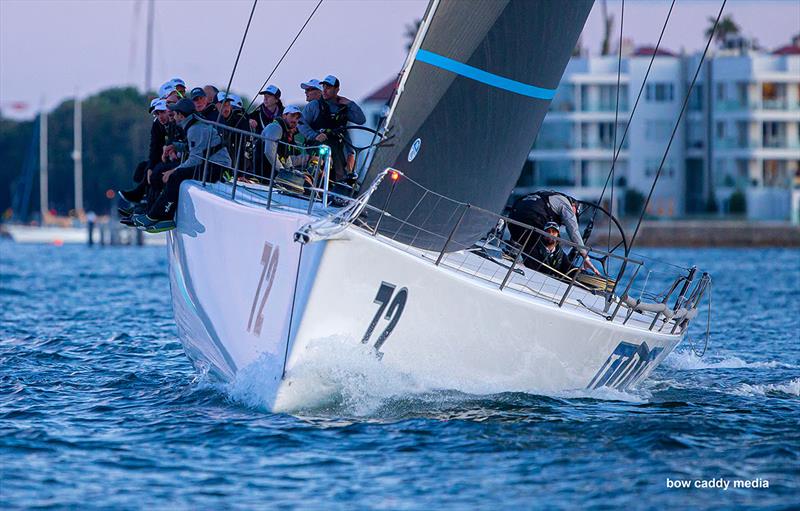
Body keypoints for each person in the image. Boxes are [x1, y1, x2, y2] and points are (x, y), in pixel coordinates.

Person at [132, 99, 231, 232]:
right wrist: (176, 146)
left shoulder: (195, 129)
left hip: (217, 168)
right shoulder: (193, 125)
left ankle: (155, 216)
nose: (173, 116)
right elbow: (195, 148)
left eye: (175, 114)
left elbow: (195, 159)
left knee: (175, 176)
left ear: (182, 116)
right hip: (211, 165)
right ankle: (163, 216)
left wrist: (173, 170)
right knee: (171, 175)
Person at [508, 190, 599, 273]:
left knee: (530, 242)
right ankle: (555, 270)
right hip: (533, 218)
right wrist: (585, 257)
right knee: (548, 241)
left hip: (513, 218)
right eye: (575, 214)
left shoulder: (548, 196)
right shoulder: (566, 204)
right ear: (574, 206)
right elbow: (573, 229)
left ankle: (514, 255)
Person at [298, 74, 366, 182]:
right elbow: (301, 124)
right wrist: (315, 136)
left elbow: (361, 120)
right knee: (323, 158)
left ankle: (342, 183)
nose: (324, 90)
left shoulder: (343, 107)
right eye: (323, 87)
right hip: (317, 147)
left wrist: (350, 103)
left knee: (344, 172)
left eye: (328, 88)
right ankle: (317, 180)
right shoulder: (314, 105)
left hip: (338, 149)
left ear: (337, 90)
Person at [118, 99, 173, 219]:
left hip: (174, 160)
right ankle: (143, 202)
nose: (160, 116)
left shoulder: (175, 122)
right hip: (165, 158)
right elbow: (154, 148)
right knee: (143, 169)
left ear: (169, 110)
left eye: (162, 112)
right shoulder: (158, 124)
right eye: (157, 114)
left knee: (156, 173)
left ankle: (150, 209)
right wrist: (150, 167)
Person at [216, 92, 251, 174]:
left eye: (228, 104)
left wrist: (241, 173)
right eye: (223, 104)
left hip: (234, 168)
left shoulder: (240, 120)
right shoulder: (212, 119)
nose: (226, 108)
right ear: (216, 106)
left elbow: (243, 146)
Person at [262, 105, 303, 174]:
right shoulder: (275, 127)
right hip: (263, 173)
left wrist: (291, 169)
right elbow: (269, 152)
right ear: (284, 116)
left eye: (297, 118)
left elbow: (285, 155)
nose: (295, 120)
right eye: (292, 116)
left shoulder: (285, 131)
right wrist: (281, 170)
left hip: (270, 172)